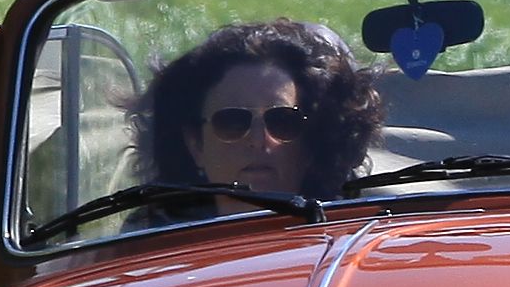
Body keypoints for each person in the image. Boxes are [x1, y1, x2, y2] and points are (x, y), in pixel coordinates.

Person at [138, 19, 378, 202]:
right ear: (195, 145)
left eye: (283, 121)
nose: (258, 140)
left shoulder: (354, 236)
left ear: (312, 143)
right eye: (232, 122)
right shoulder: (139, 249)